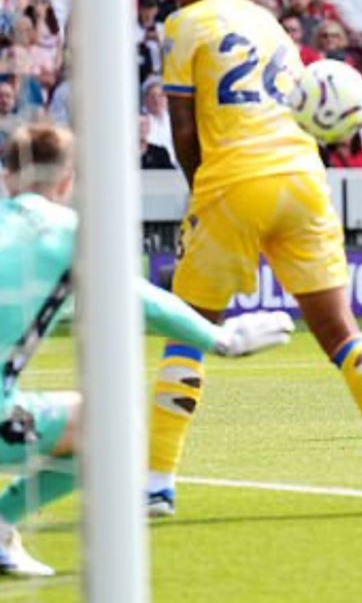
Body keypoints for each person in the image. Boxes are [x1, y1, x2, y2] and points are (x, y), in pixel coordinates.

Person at [150, 0, 362, 516]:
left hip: (233, 178)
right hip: (303, 176)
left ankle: (156, 486)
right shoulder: (268, 20)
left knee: (189, 333)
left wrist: (204, 195)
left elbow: (182, 134)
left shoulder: (182, 25)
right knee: (341, 333)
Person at [0, 122, 293, 577]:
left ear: (7, 175)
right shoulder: (68, 233)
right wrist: (219, 339)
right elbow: (140, 298)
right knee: (113, 424)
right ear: (67, 180)